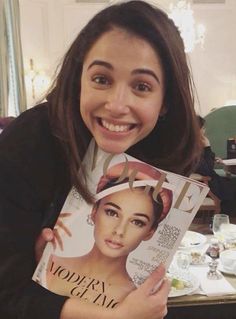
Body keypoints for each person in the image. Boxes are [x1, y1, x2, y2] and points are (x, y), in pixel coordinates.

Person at [0, 1, 202, 318]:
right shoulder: (31, 141)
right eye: (102, 79)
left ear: (165, 102)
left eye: (141, 86)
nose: (117, 105)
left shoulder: (166, 153)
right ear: (79, 78)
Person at [45, 162, 172, 304]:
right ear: (94, 212)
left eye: (137, 222)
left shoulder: (137, 300)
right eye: (112, 212)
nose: (119, 230)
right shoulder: (49, 263)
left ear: (149, 232)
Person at [195, 116, 235, 214]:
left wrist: (212, 157)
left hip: (211, 181)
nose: (204, 130)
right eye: (202, 128)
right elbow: (207, 169)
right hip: (208, 183)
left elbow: (205, 164)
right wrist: (207, 147)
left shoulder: (194, 145)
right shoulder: (192, 147)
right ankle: (223, 219)